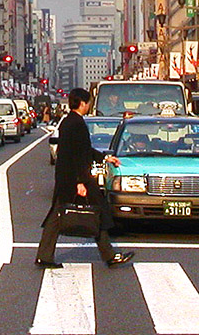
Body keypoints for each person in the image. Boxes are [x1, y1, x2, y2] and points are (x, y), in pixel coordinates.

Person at [35, 87, 133, 270]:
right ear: (82, 103)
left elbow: (82, 151)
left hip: (67, 177)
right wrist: (80, 182)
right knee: (97, 211)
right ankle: (109, 255)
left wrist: (105, 157)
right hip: (75, 178)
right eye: (87, 102)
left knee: (59, 215)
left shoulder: (68, 121)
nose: (88, 106)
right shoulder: (77, 124)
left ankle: (45, 255)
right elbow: (78, 155)